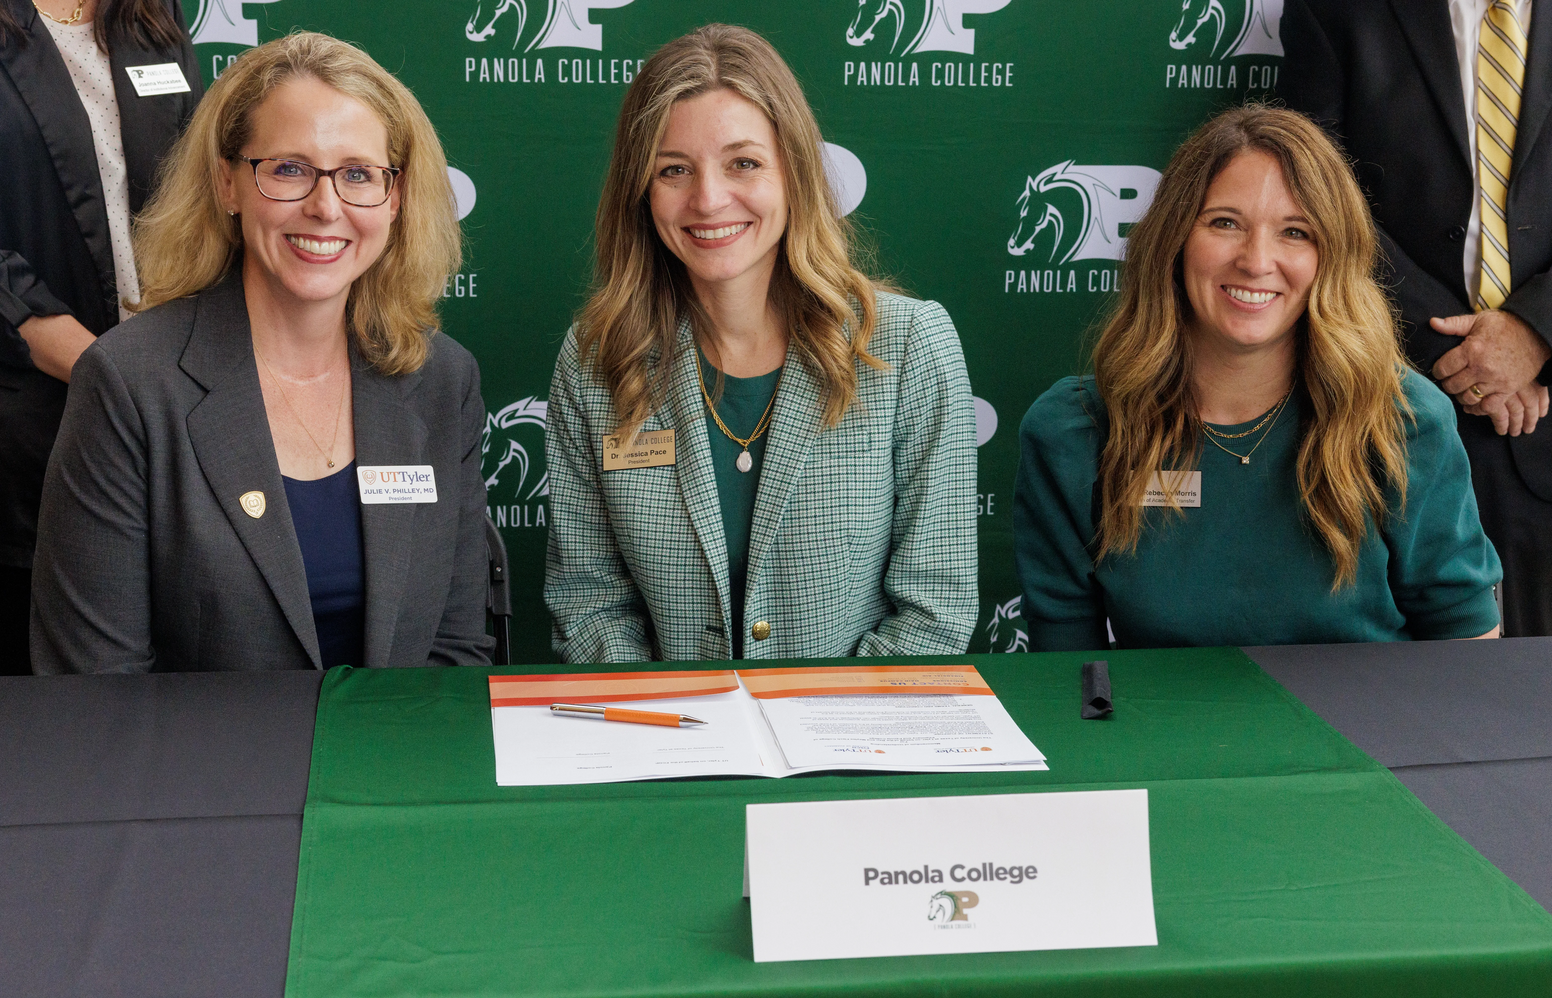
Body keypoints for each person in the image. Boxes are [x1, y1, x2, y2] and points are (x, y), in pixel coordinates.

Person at [30, 32, 492, 673]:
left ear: (397, 196)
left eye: (358, 174)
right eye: (289, 169)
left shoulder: (443, 380)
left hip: (391, 766)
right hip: (194, 772)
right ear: (227, 184)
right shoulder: (130, 385)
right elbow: (95, 689)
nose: (325, 207)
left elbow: (454, 653)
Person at [544, 24, 977, 662]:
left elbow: (934, 611)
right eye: (673, 170)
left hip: (853, 744)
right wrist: (677, 729)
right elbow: (588, 601)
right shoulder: (594, 362)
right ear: (641, 190)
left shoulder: (911, 347)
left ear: (793, 172)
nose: (709, 198)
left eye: (743, 163)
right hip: (670, 738)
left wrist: (822, 731)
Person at [1013, 106, 1502, 650]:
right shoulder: (1074, 434)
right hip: (1161, 733)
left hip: (1365, 734)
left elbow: (1466, 649)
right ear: (1173, 239)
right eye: (1225, 223)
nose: (1256, 260)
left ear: (1331, 257)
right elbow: (1073, 678)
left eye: (1295, 232)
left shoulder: (1402, 422)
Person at [1281, 0, 1552, 636]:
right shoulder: (1334, 10)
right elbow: (1312, 192)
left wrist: (1536, 331)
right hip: (1388, 412)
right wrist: (1465, 356)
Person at [0, 0, 200, 674]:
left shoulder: (149, 13)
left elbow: (195, 188)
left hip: (161, 411)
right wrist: (111, 372)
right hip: (26, 417)